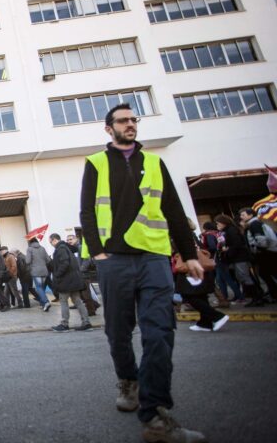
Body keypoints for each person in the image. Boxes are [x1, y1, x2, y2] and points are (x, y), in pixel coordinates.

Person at [80, 103, 206, 442]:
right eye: (123, 120)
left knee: (160, 331)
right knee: (118, 331)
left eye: (134, 119)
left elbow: (173, 209)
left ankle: (154, 416)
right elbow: (87, 212)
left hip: (153, 256)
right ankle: (129, 381)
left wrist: (189, 253)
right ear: (109, 129)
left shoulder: (154, 162)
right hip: (115, 261)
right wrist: (100, 254)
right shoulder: (95, 163)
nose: (130, 124)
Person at [215, 214, 263, 307]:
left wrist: (228, 250)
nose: (217, 225)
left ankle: (256, 297)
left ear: (223, 222)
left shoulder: (231, 230)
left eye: (218, 223)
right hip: (236, 257)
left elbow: (236, 244)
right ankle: (256, 296)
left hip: (240, 257)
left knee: (244, 276)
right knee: (242, 276)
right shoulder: (227, 231)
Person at [48, 234, 92, 332]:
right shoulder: (65, 247)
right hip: (72, 279)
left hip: (66, 280)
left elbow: (64, 263)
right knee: (77, 301)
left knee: (63, 301)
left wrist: (57, 275)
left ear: (54, 240)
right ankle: (86, 323)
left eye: (50, 242)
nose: (50, 244)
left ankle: (64, 324)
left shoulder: (61, 248)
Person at [240, 207, 277, 302]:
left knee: (266, 273)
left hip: (265, 253)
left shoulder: (254, 224)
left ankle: (274, 293)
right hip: (268, 251)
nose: (241, 217)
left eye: (243, 215)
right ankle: (273, 292)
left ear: (251, 215)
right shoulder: (256, 223)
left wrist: (255, 248)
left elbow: (261, 241)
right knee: (267, 273)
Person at [25, 238, 52, 312]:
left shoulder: (29, 249)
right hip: (44, 271)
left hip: (36, 271)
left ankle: (46, 302)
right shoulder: (42, 248)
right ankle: (43, 304)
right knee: (42, 288)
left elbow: (27, 261)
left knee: (38, 288)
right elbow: (48, 260)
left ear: (30, 242)